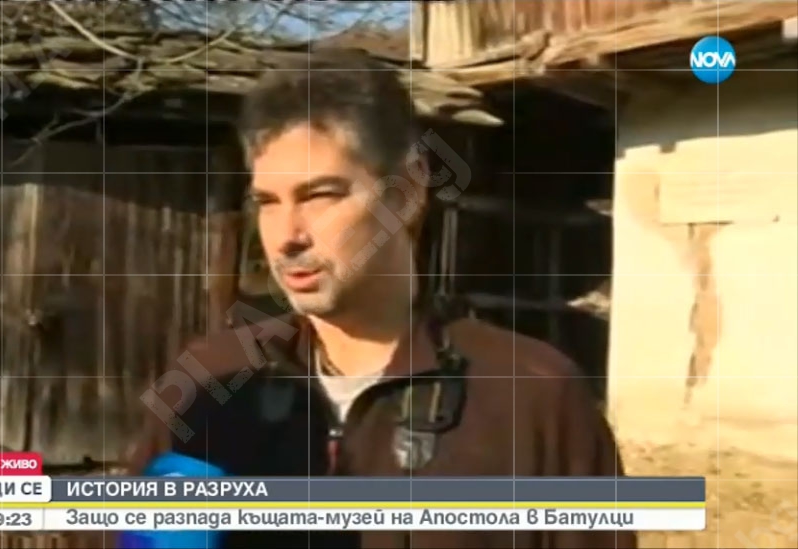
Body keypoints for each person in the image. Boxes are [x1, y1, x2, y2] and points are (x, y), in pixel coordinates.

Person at [125, 50, 636, 549]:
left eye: (319, 195)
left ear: (406, 193)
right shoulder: (208, 383)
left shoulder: (530, 397)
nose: (286, 237)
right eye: (267, 202)